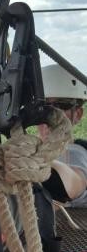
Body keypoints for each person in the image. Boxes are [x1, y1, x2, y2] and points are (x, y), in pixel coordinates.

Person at [40, 63, 87, 207]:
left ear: (77, 114)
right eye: (43, 106)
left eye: (61, 105)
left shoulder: (75, 151)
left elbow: (74, 182)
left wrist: (36, 163)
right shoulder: (29, 147)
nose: (51, 114)